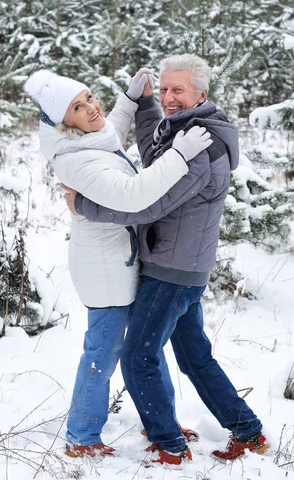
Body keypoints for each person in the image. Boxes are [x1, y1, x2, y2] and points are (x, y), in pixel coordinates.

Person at [66, 54, 269, 465]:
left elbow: (147, 204)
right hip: (184, 266)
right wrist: (144, 105)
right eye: (163, 88)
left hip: (171, 272)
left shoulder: (199, 145)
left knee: (137, 357)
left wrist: (84, 205)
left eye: (178, 90)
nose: (168, 97)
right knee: (195, 356)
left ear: (201, 94)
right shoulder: (187, 129)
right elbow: (156, 155)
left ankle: (170, 446)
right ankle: (248, 431)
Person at [24, 68, 212, 458]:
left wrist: (129, 100)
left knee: (148, 346)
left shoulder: (88, 139)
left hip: (124, 261)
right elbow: (133, 196)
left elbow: (110, 132)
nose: (92, 107)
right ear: (64, 123)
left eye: (90, 96)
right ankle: (81, 435)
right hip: (105, 270)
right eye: (78, 107)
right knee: (103, 352)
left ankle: (160, 422)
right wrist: (179, 154)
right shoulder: (72, 160)